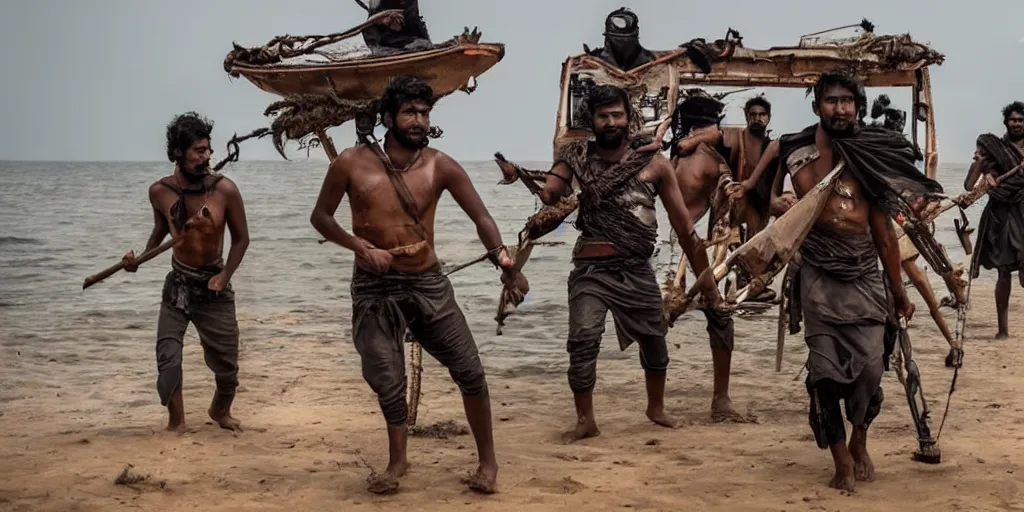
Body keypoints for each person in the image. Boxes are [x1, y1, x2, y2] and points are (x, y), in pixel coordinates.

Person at [309, 75, 526, 495]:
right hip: (374, 286)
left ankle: (488, 464)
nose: (419, 120)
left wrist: (504, 260)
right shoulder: (350, 163)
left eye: (425, 113)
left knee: (470, 371)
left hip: (428, 282)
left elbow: (480, 217)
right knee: (388, 379)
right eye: (410, 112)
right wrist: (359, 247)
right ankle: (397, 461)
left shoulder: (440, 165)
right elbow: (321, 217)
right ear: (388, 117)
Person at [517, 84, 719, 443]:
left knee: (655, 340)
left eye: (617, 115)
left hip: (637, 269)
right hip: (590, 272)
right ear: (590, 121)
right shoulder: (575, 157)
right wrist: (529, 180)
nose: (611, 122)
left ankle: (655, 408)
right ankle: (585, 420)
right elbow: (552, 194)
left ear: (629, 117)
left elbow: (683, 227)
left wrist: (707, 278)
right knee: (582, 339)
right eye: (603, 115)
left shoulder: (654, 163)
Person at [778, 71, 939, 492]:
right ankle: (840, 462)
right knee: (824, 373)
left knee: (870, 370)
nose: (840, 108)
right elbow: (763, 204)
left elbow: (885, 233)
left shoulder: (870, 160)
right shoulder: (795, 154)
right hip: (818, 279)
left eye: (848, 101)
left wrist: (899, 293)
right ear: (817, 107)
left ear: (858, 107)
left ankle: (860, 437)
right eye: (831, 100)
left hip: (866, 277)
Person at [122, 112, 250, 433]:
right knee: (168, 359)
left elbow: (242, 240)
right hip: (177, 286)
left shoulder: (225, 191)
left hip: (213, 287)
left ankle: (220, 411)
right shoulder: (159, 191)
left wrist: (224, 277)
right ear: (178, 152)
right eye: (198, 151)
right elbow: (159, 234)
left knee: (227, 367)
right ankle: (176, 423)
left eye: (208, 150)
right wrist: (137, 260)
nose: (206, 157)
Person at [666, 95, 745, 421]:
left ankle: (663, 402)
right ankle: (720, 399)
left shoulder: (679, 156)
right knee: (719, 319)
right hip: (696, 249)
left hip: (680, 249)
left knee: (660, 321)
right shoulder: (706, 158)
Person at [963, 101, 1024, 339]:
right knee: (1003, 272)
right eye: (1013, 120)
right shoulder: (992, 149)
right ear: (1006, 122)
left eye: (1021, 120)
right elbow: (969, 185)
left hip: (1023, 211)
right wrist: (983, 169)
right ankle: (1003, 330)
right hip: (999, 216)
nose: (1017, 124)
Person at [721, 95, 778, 240]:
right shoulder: (735, 138)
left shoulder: (771, 147)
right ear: (747, 117)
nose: (757, 118)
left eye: (762, 114)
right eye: (753, 114)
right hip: (735, 204)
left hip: (760, 206)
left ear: (768, 117)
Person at [586, 8, 657, 71]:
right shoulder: (593, 62)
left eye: (626, 39)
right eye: (617, 40)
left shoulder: (652, 62)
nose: (622, 42)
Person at [361, 0, 432, 52]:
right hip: (385, 45)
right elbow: (371, 25)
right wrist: (382, 20)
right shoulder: (375, 4)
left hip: (411, 40)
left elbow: (413, 20)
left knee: (422, 43)